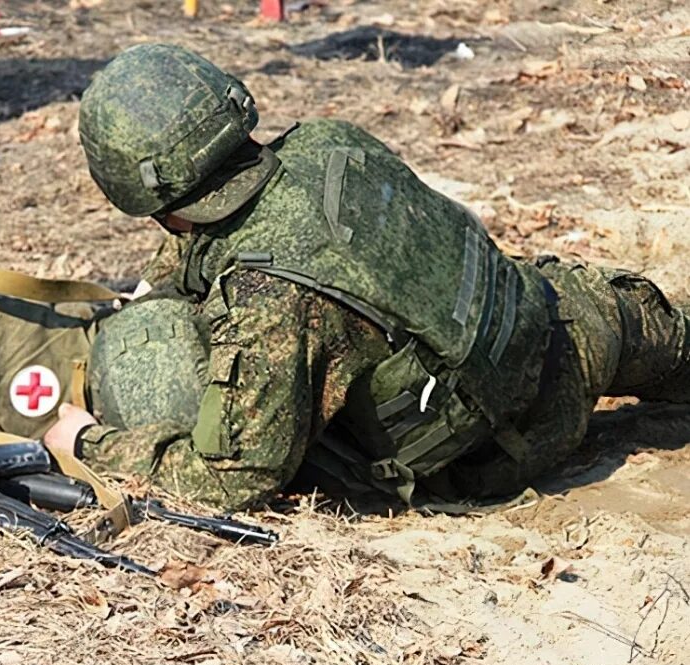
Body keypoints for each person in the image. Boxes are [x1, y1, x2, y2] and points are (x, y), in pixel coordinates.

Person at [45, 43, 690, 510]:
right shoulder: (328, 144)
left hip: (497, 451)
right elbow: (236, 231)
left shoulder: (266, 301)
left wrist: (93, 444)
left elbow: (231, 477)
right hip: (572, 326)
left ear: (144, 197)